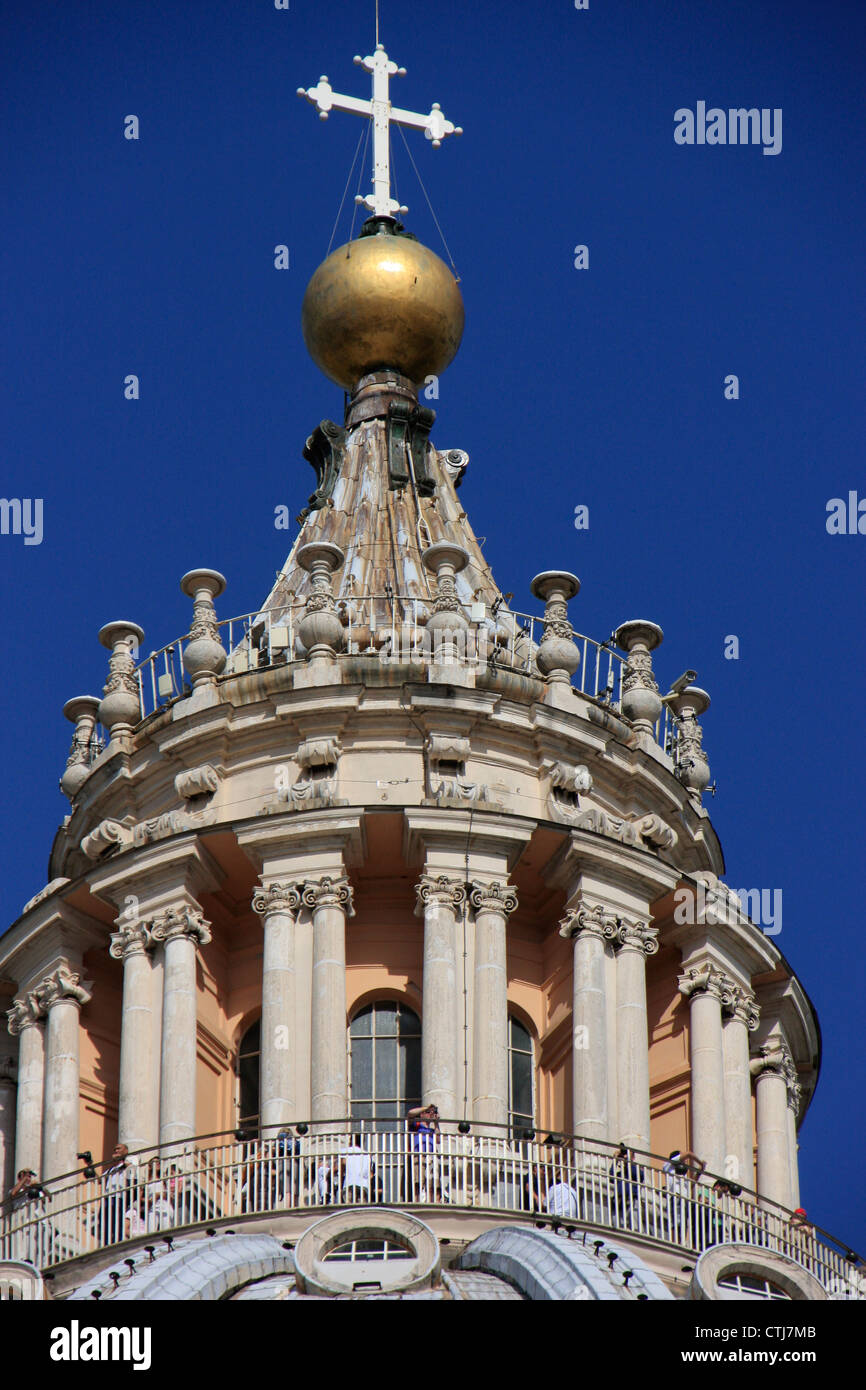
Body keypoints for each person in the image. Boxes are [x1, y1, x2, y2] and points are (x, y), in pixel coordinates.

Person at [406, 1104, 450, 1202]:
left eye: (432, 1112)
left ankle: (432, 1202)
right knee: (418, 1182)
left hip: (431, 1157)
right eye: (428, 1113)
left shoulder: (432, 1130)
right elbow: (410, 1114)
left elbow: (438, 1140)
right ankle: (417, 1201)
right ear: (422, 1115)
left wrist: (436, 1123)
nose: (430, 1114)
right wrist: (426, 1108)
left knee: (433, 1184)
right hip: (418, 1156)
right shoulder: (416, 1126)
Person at [101, 1144, 136, 1245]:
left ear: (126, 1151)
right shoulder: (111, 1169)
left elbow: (132, 1173)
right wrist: (90, 1165)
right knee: (106, 1223)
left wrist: (123, 1159)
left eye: (119, 1149)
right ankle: (107, 1243)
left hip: (119, 1197)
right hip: (108, 1197)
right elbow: (100, 1179)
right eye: (115, 1149)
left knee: (117, 1222)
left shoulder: (130, 1165)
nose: (116, 1150)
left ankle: (118, 1241)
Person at [609, 1142, 646, 1219]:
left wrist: (628, 1162)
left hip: (631, 1201)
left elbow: (637, 1175)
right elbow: (611, 1177)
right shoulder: (621, 1174)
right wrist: (615, 1161)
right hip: (619, 1201)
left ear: (632, 1158)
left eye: (628, 1155)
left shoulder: (638, 1169)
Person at [341, 1134, 374, 1203]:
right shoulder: (367, 1154)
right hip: (363, 1184)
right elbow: (370, 1173)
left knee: (348, 1209)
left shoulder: (345, 1151)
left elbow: (343, 1163)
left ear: (351, 1141)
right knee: (361, 1210)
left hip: (349, 1183)